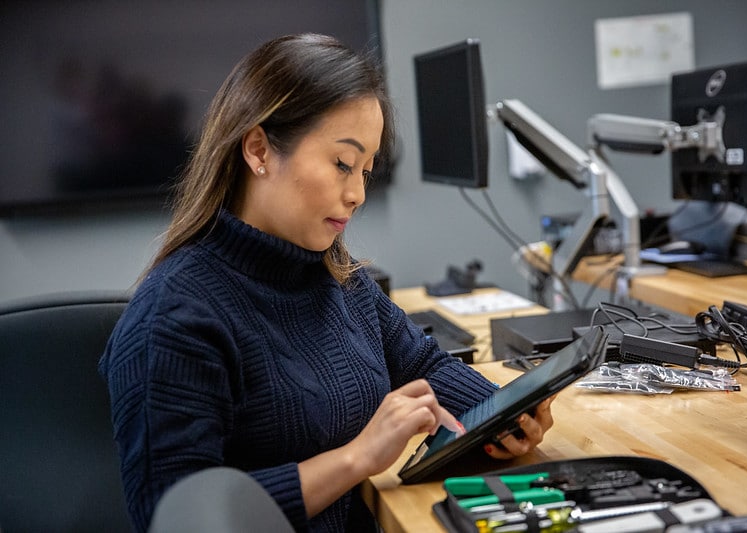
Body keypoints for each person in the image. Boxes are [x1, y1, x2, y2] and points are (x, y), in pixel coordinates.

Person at [99, 33, 556, 533]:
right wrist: (356, 459)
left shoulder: (337, 277)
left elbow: (419, 363)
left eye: (366, 169)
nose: (358, 193)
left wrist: (504, 413)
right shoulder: (173, 317)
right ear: (258, 150)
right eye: (342, 163)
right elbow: (179, 518)